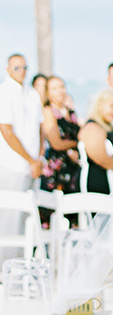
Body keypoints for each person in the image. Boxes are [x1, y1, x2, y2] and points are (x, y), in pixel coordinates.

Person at [0, 54, 44, 264]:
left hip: (32, 167)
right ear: (8, 69)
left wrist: (39, 159)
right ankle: (5, 267)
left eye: (25, 67)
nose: (22, 71)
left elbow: (40, 128)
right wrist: (29, 159)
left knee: (27, 220)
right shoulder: (4, 92)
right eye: (17, 68)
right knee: (8, 218)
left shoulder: (33, 94)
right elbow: (7, 131)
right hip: (12, 166)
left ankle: (22, 265)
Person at [39, 76, 81, 224]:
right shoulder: (48, 111)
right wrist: (76, 144)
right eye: (54, 88)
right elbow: (56, 143)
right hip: (57, 168)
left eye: (62, 87)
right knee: (52, 213)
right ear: (48, 92)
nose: (60, 91)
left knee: (73, 213)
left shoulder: (70, 111)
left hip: (73, 168)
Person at [78, 89, 113, 194]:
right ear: (100, 105)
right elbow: (101, 159)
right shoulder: (93, 127)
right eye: (112, 106)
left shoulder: (108, 127)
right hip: (99, 189)